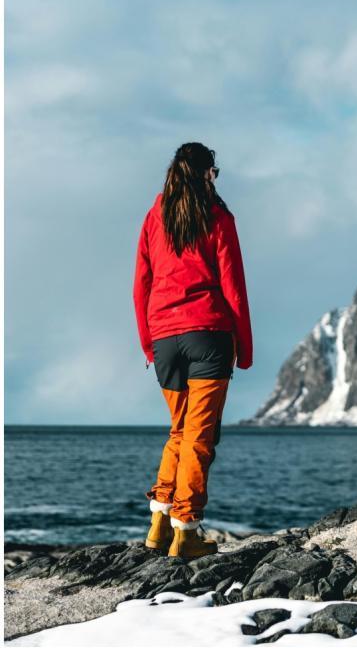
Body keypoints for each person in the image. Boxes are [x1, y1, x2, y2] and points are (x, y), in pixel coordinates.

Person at [133, 142, 253, 558]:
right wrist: (246, 347)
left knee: (180, 432)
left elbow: (141, 284)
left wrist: (149, 342)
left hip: (164, 339)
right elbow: (233, 287)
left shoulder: (154, 218)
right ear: (206, 174)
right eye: (214, 172)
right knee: (200, 436)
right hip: (209, 336)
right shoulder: (218, 217)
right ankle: (186, 531)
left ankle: (158, 524)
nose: (215, 179)